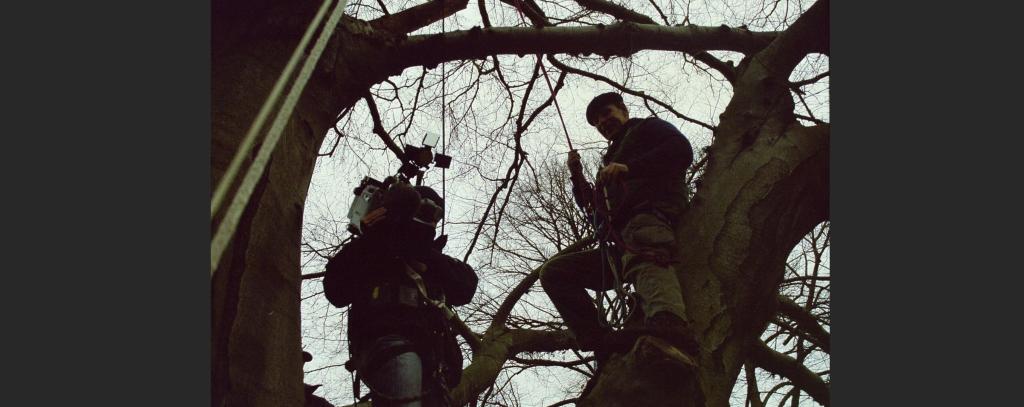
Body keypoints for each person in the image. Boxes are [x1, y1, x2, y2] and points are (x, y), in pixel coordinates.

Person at [540, 92, 699, 361]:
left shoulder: (646, 128)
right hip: (620, 243)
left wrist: (629, 167)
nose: (603, 122)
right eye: (597, 121)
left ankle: (670, 326)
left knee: (644, 255)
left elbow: (680, 151)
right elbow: (595, 211)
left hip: (651, 217)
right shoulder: (610, 160)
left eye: (606, 113)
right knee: (555, 273)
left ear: (623, 110)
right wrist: (577, 176)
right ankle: (599, 340)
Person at [323, 183, 478, 407]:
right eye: (421, 208)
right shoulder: (374, 247)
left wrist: (424, 253)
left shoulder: (433, 260)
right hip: (387, 342)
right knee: (404, 369)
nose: (428, 217)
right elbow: (336, 291)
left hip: (435, 363)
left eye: (435, 213)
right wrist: (372, 239)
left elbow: (466, 288)